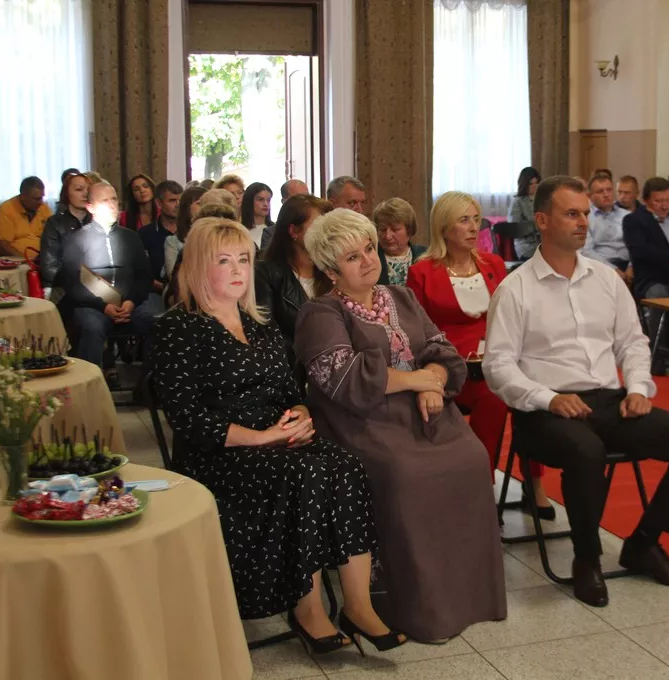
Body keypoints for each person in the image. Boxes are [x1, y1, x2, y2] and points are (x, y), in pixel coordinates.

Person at [151, 217, 404, 657]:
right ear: (197, 267)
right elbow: (188, 420)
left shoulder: (260, 327)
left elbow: (292, 394)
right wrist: (261, 438)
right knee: (305, 474)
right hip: (219, 455)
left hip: (276, 441)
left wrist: (300, 417)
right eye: (224, 261)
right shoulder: (178, 328)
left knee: (345, 465)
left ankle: (358, 606)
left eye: (243, 260)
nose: (238, 270)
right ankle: (307, 609)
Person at [483, 175, 669, 608]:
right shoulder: (515, 289)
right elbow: (498, 367)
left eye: (585, 214)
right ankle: (587, 558)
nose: (583, 223)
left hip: (608, 402)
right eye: (571, 214)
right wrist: (549, 398)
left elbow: (633, 342)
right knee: (586, 450)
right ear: (542, 220)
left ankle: (644, 543)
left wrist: (639, 387)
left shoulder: (606, 279)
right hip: (543, 411)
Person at [295, 208, 506, 642]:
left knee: (472, 458)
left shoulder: (402, 297)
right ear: (331, 271)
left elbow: (442, 350)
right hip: (362, 421)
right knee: (406, 473)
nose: (368, 260)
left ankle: (469, 598)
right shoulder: (321, 312)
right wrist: (416, 380)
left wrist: (436, 381)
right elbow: (343, 377)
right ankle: (414, 607)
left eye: (369, 248)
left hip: (424, 410)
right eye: (352, 257)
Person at [406, 191, 553, 518]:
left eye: (476, 219)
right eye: (464, 220)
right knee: (494, 397)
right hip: (447, 364)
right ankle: (480, 485)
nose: (474, 227)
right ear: (444, 227)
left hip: (496, 358)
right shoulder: (422, 271)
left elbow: (510, 315)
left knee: (530, 390)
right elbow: (416, 330)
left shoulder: (493, 264)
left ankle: (533, 481)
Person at [60, 181, 159, 372]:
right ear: (90, 207)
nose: (113, 205)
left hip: (131, 303)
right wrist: (104, 306)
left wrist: (130, 302)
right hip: (92, 305)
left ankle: (150, 382)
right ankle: (90, 382)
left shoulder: (131, 237)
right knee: (92, 327)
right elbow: (73, 284)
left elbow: (144, 276)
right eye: (105, 201)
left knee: (157, 321)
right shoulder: (76, 240)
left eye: (114, 199)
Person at [623, 177, 669, 375]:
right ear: (646, 200)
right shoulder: (634, 221)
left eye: (667, 200)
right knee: (659, 297)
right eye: (658, 201)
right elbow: (640, 250)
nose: (664, 206)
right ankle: (657, 355)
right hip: (653, 277)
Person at [256, 194, 333, 367]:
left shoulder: (332, 271)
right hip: (293, 369)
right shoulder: (266, 273)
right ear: (294, 231)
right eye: (319, 226)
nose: (328, 234)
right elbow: (267, 334)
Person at [40, 173, 92, 297]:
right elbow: (49, 267)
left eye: (88, 190)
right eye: (79, 189)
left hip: (97, 285)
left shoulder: (98, 220)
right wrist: (80, 283)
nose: (85, 194)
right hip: (62, 287)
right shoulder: (54, 223)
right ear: (67, 194)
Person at [581, 173, 632, 282]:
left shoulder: (627, 216)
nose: (606, 194)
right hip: (600, 266)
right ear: (589, 196)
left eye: (609, 190)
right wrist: (612, 270)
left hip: (629, 266)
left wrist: (631, 267)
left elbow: (636, 245)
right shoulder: (585, 217)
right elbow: (586, 251)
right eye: (600, 191)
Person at [0, 176, 52, 256]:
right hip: (13, 260)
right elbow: (1, 245)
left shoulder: (43, 207)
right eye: (36, 199)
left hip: (41, 259)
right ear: (23, 197)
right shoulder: (6, 210)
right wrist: (23, 259)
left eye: (42, 197)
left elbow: (53, 236)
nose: (41, 202)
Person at [139, 180, 183, 294]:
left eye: (180, 200)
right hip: (155, 292)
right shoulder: (144, 234)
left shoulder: (190, 231)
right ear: (159, 203)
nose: (178, 205)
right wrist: (166, 289)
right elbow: (140, 272)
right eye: (172, 200)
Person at [372, 198, 427, 286]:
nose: (387, 236)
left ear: (409, 229)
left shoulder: (425, 256)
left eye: (395, 229)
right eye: (382, 229)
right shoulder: (371, 257)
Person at [164, 185, 207, 280]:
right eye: (199, 203)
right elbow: (173, 275)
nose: (205, 207)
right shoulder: (173, 242)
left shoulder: (216, 235)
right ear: (187, 207)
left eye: (208, 203)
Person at [508, 166, 542, 259]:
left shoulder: (542, 200)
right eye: (531, 184)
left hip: (543, 242)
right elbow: (515, 228)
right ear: (524, 184)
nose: (535, 186)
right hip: (527, 245)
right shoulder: (517, 202)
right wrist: (535, 226)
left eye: (537, 183)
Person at [241, 182, 273, 250]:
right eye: (260, 199)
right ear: (249, 201)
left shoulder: (274, 230)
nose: (266, 204)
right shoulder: (239, 230)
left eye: (268, 200)